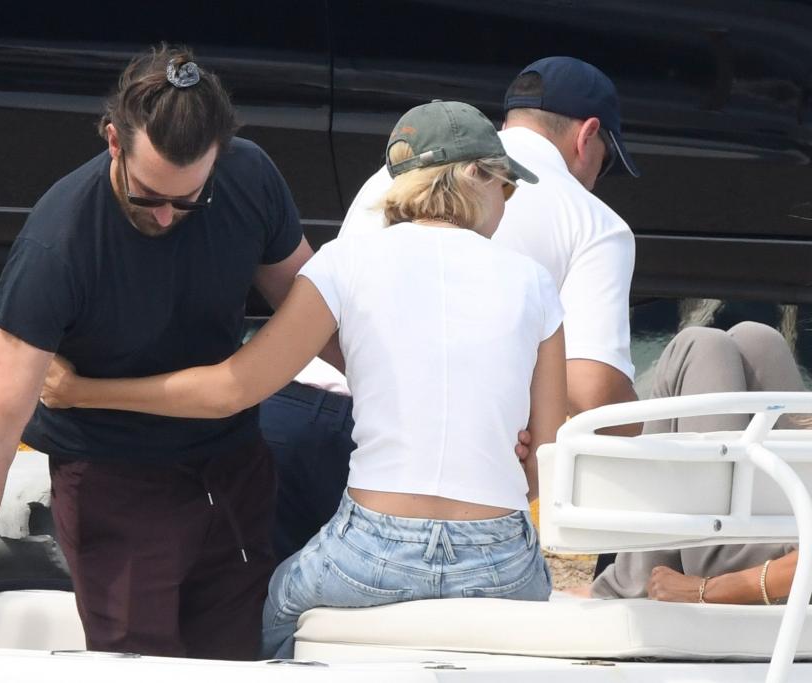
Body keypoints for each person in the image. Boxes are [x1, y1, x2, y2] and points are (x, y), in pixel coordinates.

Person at [40, 100, 567, 658]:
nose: (505, 204)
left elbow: (232, 390)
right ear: (475, 176)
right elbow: (543, 469)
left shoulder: (345, 262)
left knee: (269, 615)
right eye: (505, 187)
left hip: (373, 552)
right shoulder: (535, 283)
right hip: (502, 559)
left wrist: (82, 392)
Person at [0, 45, 330, 660]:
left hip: (233, 470)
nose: (169, 216)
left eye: (190, 198)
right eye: (149, 197)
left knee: (239, 663)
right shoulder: (57, 245)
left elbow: (316, 317)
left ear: (219, 157)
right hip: (114, 486)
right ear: (114, 141)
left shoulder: (250, 177)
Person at [267, 55, 643, 563]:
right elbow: (594, 391)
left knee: (265, 622)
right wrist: (651, 434)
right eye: (606, 160)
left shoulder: (400, 170)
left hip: (287, 416)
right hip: (399, 454)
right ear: (587, 135)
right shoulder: (594, 222)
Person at [583, 321, 803, 602]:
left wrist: (702, 590)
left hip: (742, 566)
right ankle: (634, 577)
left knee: (698, 347)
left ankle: (633, 580)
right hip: (789, 540)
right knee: (757, 342)